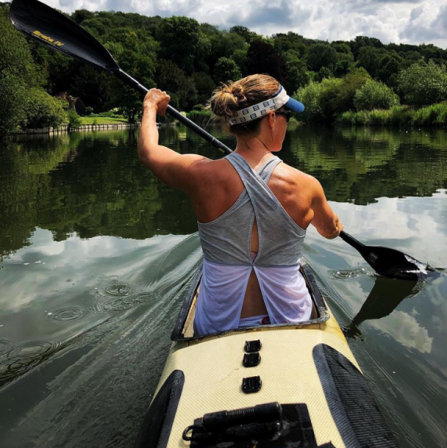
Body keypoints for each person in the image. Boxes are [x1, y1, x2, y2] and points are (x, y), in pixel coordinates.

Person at [138, 74, 343, 336]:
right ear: (271, 118)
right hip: (293, 320)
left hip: (217, 323)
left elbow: (149, 152)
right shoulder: (306, 185)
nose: (287, 122)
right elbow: (329, 230)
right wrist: (335, 225)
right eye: (286, 116)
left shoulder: (201, 175)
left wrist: (151, 106)